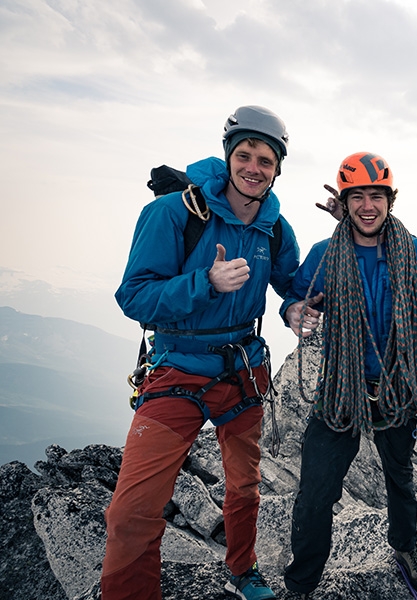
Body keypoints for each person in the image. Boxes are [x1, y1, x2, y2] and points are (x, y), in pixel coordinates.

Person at [103, 105, 309, 600]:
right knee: (132, 510)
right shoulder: (173, 213)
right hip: (177, 370)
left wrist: (293, 312)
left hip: (241, 372)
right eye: (245, 155)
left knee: (243, 487)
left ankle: (243, 570)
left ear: (278, 168)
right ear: (228, 156)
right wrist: (205, 283)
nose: (254, 168)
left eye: (266, 159)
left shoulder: (276, 228)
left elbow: (289, 286)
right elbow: (133, 296)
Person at [281, 152, 417, 599]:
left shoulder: (413, 254)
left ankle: (405, 546)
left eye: (375, 195)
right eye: (356, 196)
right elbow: (298, 298)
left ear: (389, 200)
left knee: (400, 477)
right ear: (345, 201)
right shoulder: (326, 254)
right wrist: (293, 311)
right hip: (341, 390)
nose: (366, 205)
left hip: (395, 389)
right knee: (316, 493)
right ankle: (301, 585)